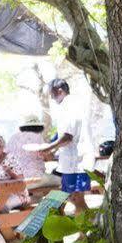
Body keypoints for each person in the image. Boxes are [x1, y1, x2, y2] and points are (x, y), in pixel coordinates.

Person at [37, 78, 92, 216]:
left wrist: (49, 148)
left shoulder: (70, 106)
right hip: (74, 161)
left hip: (77, 161)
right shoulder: (72, 105)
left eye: (52, 94)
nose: (51, 98)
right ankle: (85, 231)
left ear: (59, 91)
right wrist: (54, 149)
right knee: (74, 198)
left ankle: (88, 231)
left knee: (76, 198)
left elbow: (68, 136)